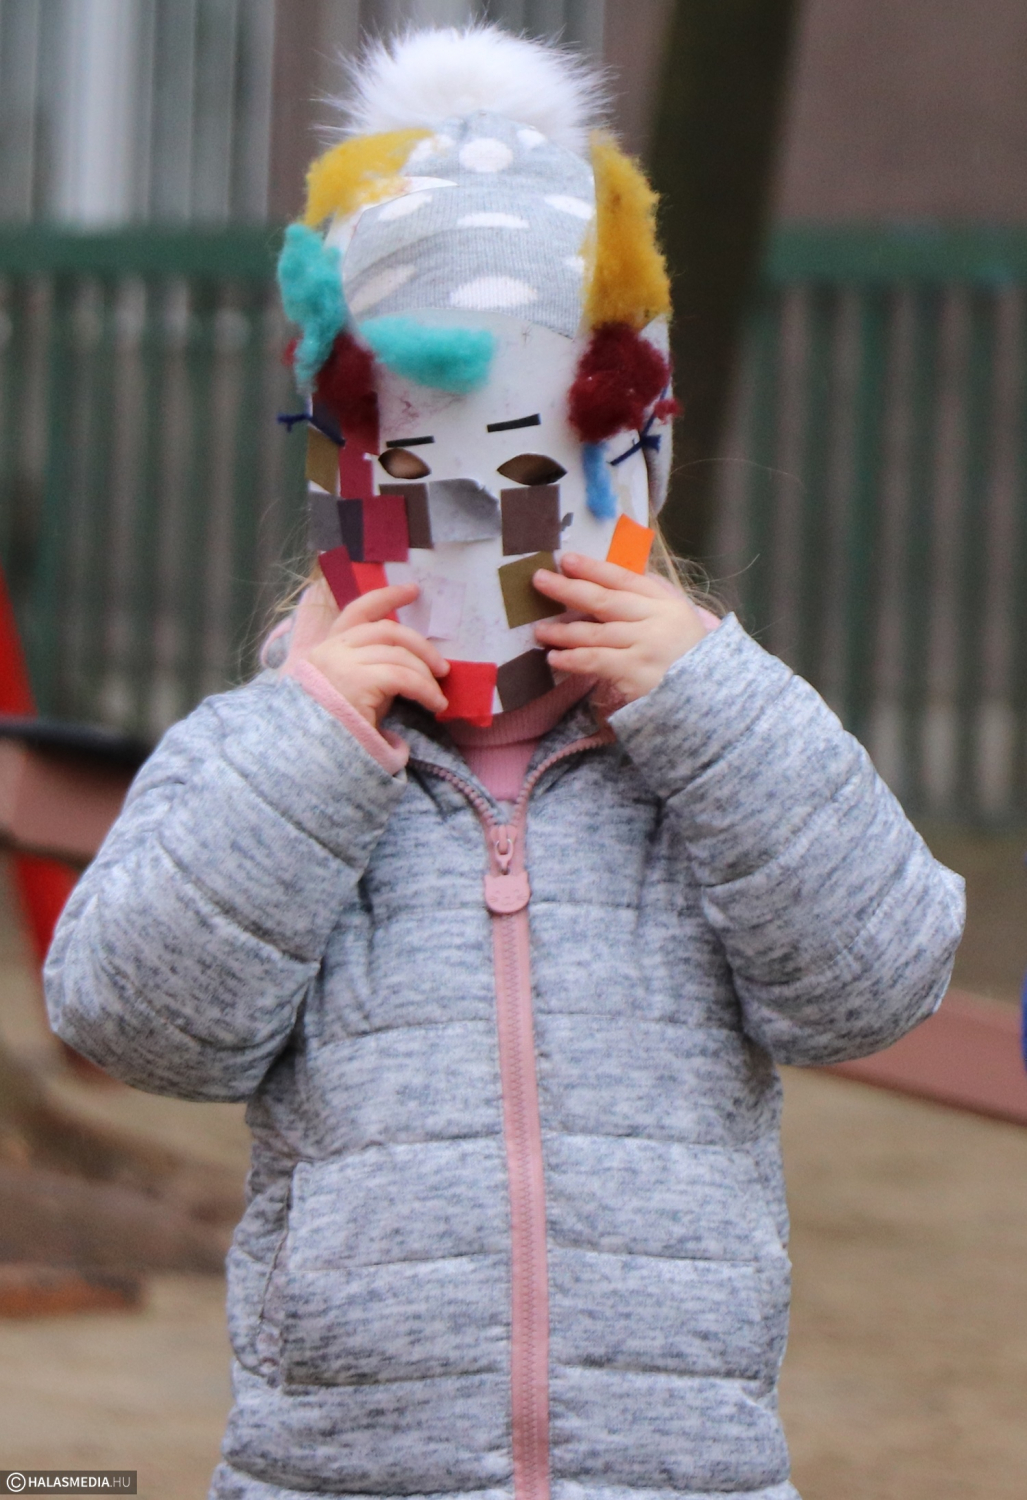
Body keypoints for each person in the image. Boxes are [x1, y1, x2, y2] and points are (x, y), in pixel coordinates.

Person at [44, 26, 964, 1500]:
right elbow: (135, 1023)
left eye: (533, 469)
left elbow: (879, 979)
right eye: (414, 472)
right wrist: (311, 747)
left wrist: (712, 708)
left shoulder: (709, 753)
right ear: (344, 466)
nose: (476, 518)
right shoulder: (274, 746)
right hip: (341, 1470)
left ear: (629, 454)